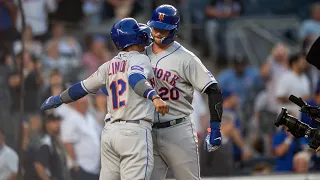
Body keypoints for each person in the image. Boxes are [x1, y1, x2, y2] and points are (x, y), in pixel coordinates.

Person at [40, 17, 168, 180]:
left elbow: (81, 88)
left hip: (110, 134)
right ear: (134, 37)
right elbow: (135, 78)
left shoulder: (108, 65)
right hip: (134, 131)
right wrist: (154, 96)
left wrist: (58, 99)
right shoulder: (140, 59)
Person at [145, 4, 223, 180]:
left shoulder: (186, 58)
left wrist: (215, 127)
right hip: (148, 130)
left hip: (177, 129)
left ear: (173, 30)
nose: (157, 33)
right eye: (155, 28)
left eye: (163, 30)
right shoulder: (141, 54)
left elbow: (213, 90)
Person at [33, 114, 71, 180]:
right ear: (47, 124)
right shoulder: (46, 141)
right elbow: (38, 165)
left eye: (58, 121)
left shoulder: (54, 140)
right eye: (54, 122)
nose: (58, 124)